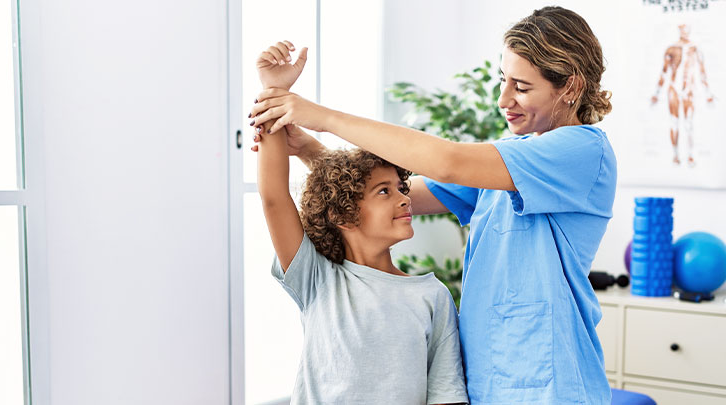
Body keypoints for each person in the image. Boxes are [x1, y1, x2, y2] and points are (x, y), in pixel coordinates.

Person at [251, 6, 616, 404]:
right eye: (502, 81)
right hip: (491, 383)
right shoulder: (509, 161)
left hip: (550, 387)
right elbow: (376, 197)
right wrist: (310, 148)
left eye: (522, 87)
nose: (502, 99)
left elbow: (447, 161)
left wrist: (323, 117)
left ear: (570, 87)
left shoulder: (582, 151)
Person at [254, 41, 468, 405]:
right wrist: (274, 91)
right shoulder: (318, 278)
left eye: (402, 187)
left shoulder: (433, 297)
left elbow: (446, 394)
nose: (405, 197)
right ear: (342, 214)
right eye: (384, 192)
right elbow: (274, 197)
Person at [650, 24, 714, 167]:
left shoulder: (695, 49)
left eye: (687, 29)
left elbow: (702, 72)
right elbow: (664, 71)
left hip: (689, 90)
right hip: (674, 89)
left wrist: (708, 93)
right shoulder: (672, 49)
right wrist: (656, 93)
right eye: (682, 29)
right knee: (674, 122)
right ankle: (675, 155)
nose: (685, 32)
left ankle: (690, 155)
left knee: (689, 123)